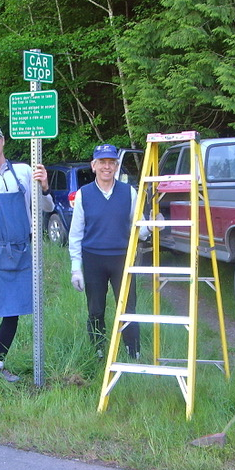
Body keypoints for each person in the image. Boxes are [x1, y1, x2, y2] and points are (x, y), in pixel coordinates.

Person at [0, 122, 53, 409]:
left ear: (4, 140)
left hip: (22, 251)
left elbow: (47, 209)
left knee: (13, 312)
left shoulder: (26, 172)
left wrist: (45, 186)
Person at [68, 144, 151, 360]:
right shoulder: (83, 195)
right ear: (93, 166)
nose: (107, 167)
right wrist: (76, 268)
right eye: (102, 162)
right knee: (96, 309)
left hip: (123, 259)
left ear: (117, 166)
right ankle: (97, 350)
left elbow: (139, 227)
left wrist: (151, 226)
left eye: (111, 163)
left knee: (128, 307)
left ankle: (133, 351)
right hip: (93, 259)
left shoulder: (129, 192)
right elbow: (75, 234)